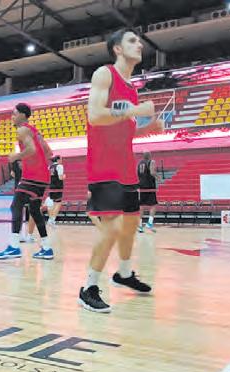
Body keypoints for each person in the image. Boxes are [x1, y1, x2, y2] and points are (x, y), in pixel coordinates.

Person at [79, 28, 163, 313]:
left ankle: (124, 273)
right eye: (132, 40)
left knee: (129, 225)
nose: (139, 44)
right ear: (117, 48)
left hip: (126, 166)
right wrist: (135, 111)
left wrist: (148, 128)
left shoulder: (131, 88)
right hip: (104, 166)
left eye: (139, 41)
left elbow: (123, 130)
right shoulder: (105, 74)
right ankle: (88, 288)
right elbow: (95, 115)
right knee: (112, 227)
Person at [0, 103, 54, 260]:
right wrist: (31, 161)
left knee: (16, 205)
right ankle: (47, 248)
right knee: (34, 210)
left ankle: (14, 247)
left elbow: (31, 149)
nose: (12, 117)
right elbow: (48, 152)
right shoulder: (35, 131)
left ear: (22, 115)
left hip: (32, 176)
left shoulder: (22, 130)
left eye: (14, 114)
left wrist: (17, 156)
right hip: (42, 176)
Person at [137, 151, 159, 233]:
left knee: (141, 206)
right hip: (150, 186)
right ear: (149, 156)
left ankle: (140, 226)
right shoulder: (151, 161)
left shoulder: (139, 163)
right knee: (153, 205)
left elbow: (138, 174)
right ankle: (149, 223)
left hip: (141, 186)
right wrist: (158, 177)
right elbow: (152, 172)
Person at [47, 156, 65, 226]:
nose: (62, 160)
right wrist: (64, 176)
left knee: (53, 204)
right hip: (58, 187)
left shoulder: (50, 167)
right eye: (61, 159)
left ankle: (51, 220)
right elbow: (60, 178)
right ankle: (52, 220)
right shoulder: (59, 166)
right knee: (58, 203)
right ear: (58, 160)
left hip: (51, 186)